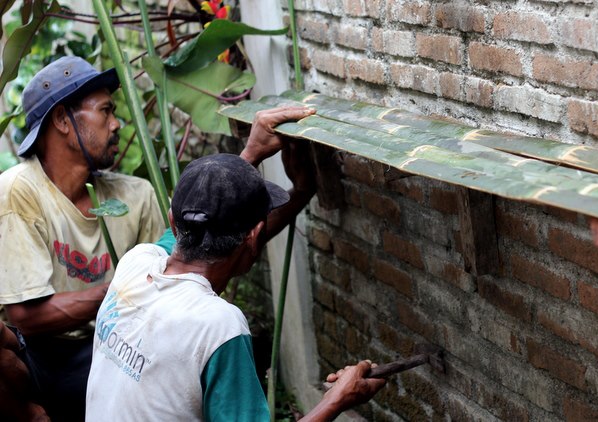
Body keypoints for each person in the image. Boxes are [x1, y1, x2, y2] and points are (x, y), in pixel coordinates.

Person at [0, 56, 317, 420]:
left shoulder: (134, 194)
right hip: (53, 353)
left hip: (122, 348)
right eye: (105, 111)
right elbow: (25, 316)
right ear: (61, 120)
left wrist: (286, 181)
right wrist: (126, 291)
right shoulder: (18, 191)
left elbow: (205, 251)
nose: (117, 124)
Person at [86, 153, 385, 421]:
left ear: (174, 223)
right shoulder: (218, 326)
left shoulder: (136, 262)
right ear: (254, 237)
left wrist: (279, 174)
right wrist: (336, 400)